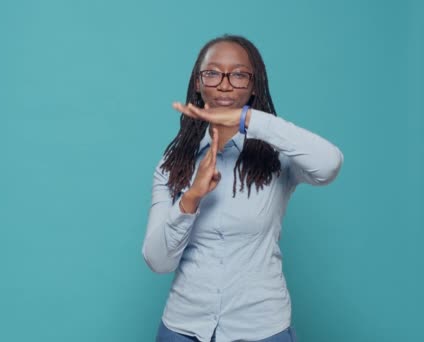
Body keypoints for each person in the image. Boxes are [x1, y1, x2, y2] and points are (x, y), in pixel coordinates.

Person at [141, 34, 344, 342]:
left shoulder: (276, 155)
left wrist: (249, 120)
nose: (224, 84)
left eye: (238, 75)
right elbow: (158, 261)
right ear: (198, 83)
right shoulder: (175, 162)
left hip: (261, 329)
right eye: (212, 73)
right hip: (183, 329)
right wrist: (191, 198)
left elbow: (329, 164)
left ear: (253, 86)